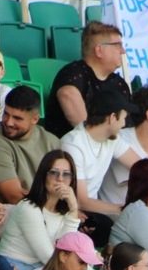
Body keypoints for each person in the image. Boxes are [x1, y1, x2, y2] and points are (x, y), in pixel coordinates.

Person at [0, 150, 83, 270]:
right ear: (43, 175)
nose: (60, 179)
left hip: (42, 269)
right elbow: (51, 258)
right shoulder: (28, 208)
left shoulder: (64, 212)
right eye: (54, 172)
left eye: (66, 174)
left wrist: (73, 210)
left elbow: (65, 249)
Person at [60, 87, 141, 222]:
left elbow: (142, 167)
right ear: (112, 117)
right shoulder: (73, 144)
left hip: (92, 212)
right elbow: (81, 201)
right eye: (123, 118)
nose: (124, 124)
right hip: (70, 212)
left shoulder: (112, 138)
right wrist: (123, 210)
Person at [44, 21, 132, 138]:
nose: (123, 51)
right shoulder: (73, 74)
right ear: (99, 50)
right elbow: (67, 94)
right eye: (118, 46)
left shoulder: (119, 83)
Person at [0, 86, 62, 204]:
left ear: (35, 119)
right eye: (6, 114)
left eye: (17, 118)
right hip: (17, 215)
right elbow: (15, 197)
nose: (9, 122)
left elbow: (64, 185)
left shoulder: (51, 141)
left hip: (48, 209)